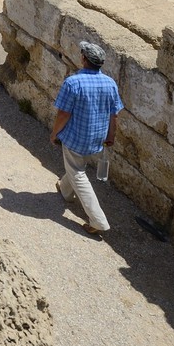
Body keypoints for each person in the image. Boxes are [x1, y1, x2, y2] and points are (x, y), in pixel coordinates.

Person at [52, 39, 123, 238]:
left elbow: (63, 114)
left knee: (78, 173)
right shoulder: (110, 83)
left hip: (76, 137)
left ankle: (98, 220)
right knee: (76, 166)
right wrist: (111, 136)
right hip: (97, 138)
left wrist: (54, 133)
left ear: (83, 59)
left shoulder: (73, 82)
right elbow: (114, 114)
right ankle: (65, 190)